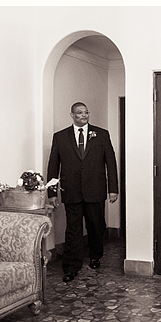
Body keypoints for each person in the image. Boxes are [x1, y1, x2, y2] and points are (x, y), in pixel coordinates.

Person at [47, 102, 119, 282]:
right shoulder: (60, 137)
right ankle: (71, 266)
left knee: (96, 226)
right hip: (71, 191)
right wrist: (52, 193)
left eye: (86, 112)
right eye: (80, 113)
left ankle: (95, 256)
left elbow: (110, 162)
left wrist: (113, 189)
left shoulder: (101, 134)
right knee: (73, 229)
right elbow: (53, 166)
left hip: (95, 189)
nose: (84, 115)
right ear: (72, 115)